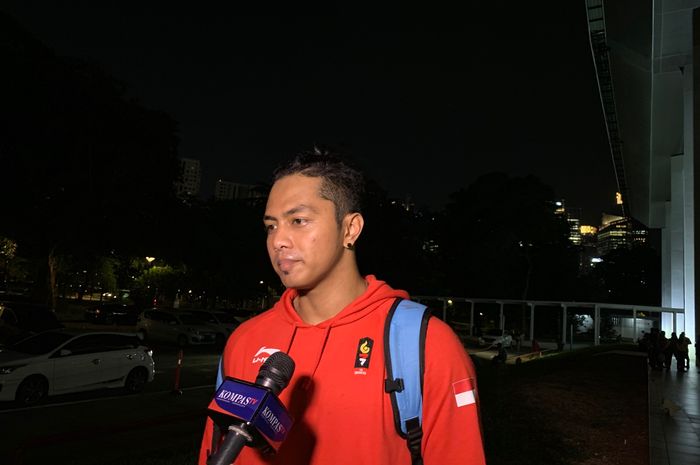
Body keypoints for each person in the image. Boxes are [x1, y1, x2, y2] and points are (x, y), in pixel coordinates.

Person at [198, 149, 486, 465]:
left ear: (350, 229)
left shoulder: (426, 344)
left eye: (298, 221)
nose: (279, 240)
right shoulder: (244, 341)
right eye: (271, 226)